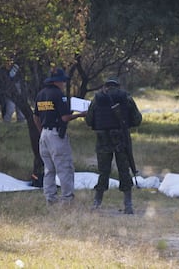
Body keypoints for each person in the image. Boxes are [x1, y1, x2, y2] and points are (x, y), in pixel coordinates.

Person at [85, 77, 142, 214]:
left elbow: (89, 120)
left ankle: (97, 203)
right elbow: (137, 119)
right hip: (121, 139)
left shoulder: (97, 98)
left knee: (103, 171)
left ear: (106, 86)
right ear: (118, 85)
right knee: (124, 170)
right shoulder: (126, 97)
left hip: (103, 140)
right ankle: (128, 205)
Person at [33, 68, 86, 205]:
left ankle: (50, 199)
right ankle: (67, 200)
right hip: (56, 135)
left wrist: (41, 132)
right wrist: (81, 115)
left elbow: (35, 116)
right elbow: (65, 117)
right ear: (57, 81)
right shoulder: (58, 95)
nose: (63, 83)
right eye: (62, 80)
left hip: (44, 134)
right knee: (64, 168)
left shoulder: (41, 94)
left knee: (49, 169)